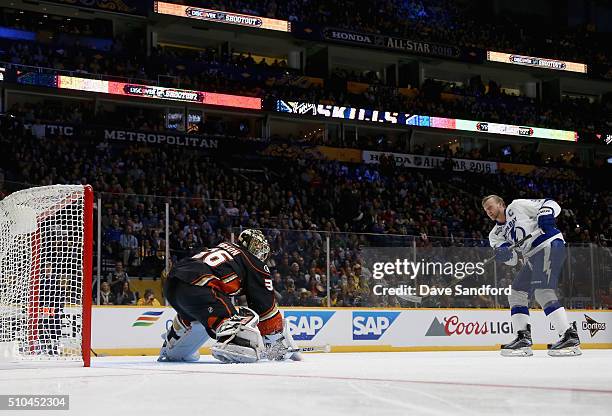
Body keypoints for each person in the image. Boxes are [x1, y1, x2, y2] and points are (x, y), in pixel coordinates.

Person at [158, 229, 300, 363]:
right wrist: (276, 340)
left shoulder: (225, 246)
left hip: (173, 284)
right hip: (200, 285)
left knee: (196, 318)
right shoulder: (254, 262)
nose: (259, 250)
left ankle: (174, 347)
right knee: (241, 321)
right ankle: (231, 341)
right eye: (257, 246)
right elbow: (266, 309)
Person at [482, 195, 581, 357]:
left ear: (501, 204)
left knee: (542, 291)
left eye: (491, 207)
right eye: (486, 210)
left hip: (548, 243)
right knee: (516, 294)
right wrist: (504, 255)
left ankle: (569, 336)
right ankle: (523, 338)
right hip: (532, 256)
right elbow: (513, 260)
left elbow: (551, 204)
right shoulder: (495, 235)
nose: (489, 212)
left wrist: (545, 214)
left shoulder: (517, 206)